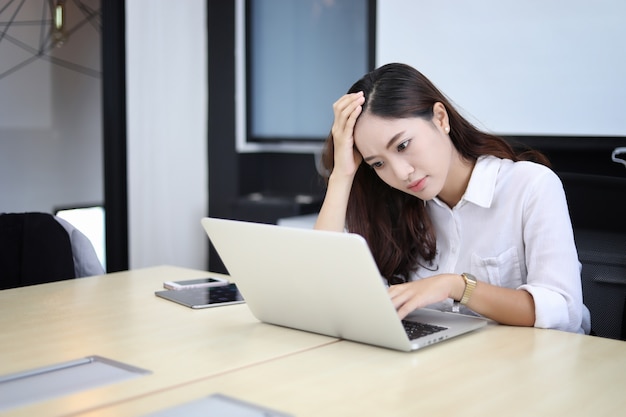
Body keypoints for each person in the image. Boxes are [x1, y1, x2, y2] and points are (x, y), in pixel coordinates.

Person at [315, 62, 591, 334]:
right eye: (378, 164)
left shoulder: (530, 186)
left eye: (403, 145)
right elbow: (322, 284)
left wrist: (456, 286)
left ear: (440, 118)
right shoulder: (393, 205)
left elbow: (564, 311)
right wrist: (342, 174)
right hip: (444, 366)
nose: (401, 173)